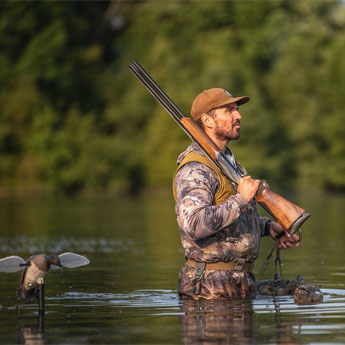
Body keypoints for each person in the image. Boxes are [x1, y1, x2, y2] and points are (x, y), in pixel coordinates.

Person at [173, 88, 299, 299]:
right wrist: (240, 198)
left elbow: (231, 224)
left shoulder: (231, 165)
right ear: (208, 120)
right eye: (229, 110)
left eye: (237, 110)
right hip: (208, 291)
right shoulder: (196, 168)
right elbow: (194, 225)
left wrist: (269, 228)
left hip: (239, 285)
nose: (238, 115)